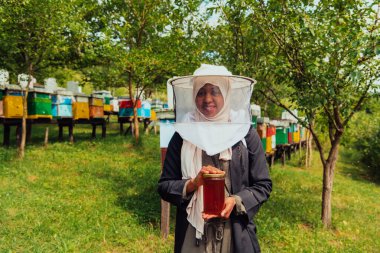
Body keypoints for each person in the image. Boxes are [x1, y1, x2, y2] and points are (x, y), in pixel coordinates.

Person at [158, 65, 272, 253]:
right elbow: (164, 185)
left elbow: (263, 185)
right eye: (201, 92)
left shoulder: (244, 134)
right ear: (194, 95)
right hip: (192, 233)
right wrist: (192, 184)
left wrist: (236, 201)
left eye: (215, 91)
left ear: (226, 94)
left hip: (235, 234)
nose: (207, 99)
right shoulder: (182, 135)